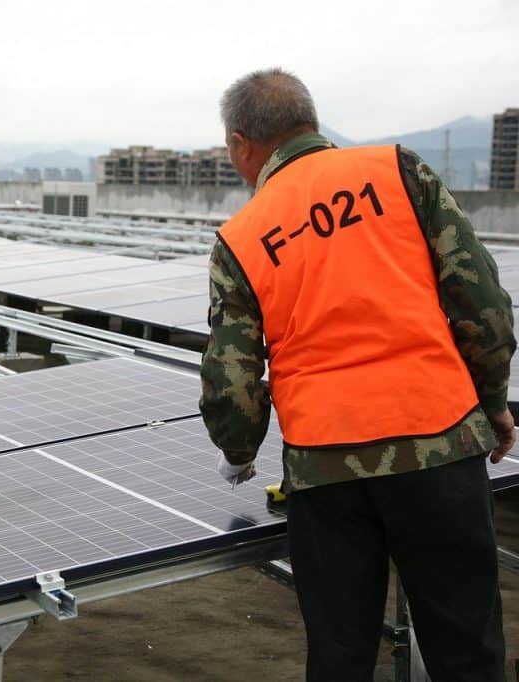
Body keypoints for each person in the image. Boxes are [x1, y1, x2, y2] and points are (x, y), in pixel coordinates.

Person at [200, 68, 515, 681]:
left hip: (326, 467)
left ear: (242, 145)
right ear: (311, 122)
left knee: (341, 653)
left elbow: (232, 376)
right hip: (439, 442)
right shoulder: (398, 171)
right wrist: (493, 401)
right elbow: (482, 303)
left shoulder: (239, 237)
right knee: (467, 647)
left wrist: (238, 451)